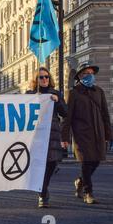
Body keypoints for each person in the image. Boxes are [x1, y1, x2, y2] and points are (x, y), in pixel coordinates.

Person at [61, 61, 113, 204]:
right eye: (86, 73)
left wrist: (108, 134)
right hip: (81, 134)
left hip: (98, 133)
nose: (89, 75)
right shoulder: (73, 93)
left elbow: (105, 114)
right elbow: (67, 117)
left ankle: (80, 181)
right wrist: (64, 137)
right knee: (86, 162)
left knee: (96, 161)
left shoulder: (99, 91)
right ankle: (88, 193)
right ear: (80, 76)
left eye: (91, 73)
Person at [26, 67, 67, 208]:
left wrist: (57, 101)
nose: (44, 79)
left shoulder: (55, 93)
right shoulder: (30, 94)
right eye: (41, 77)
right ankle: (42, 194)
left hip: (52, 133)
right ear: (35, 79)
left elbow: (65, 113)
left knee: (51, 164)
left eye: (46, 77)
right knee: (38, 164)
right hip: (36, 134)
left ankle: (43, 189)